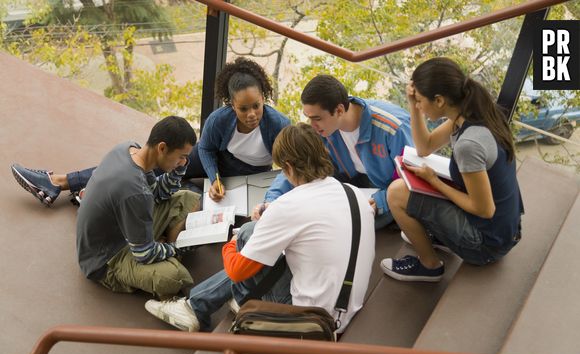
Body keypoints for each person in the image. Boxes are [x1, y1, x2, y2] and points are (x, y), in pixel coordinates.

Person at [144, 123, 375, 333]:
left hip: (306, 320)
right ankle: (194, 306)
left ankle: (213, 305)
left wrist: (234, 242)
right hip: (345, 310)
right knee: (268, 247)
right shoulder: (352, 193)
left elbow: (236, 271)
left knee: (247, 233)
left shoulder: (290, 205)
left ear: (288, 167)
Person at [10, 57, 290, 206]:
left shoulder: (278, 125)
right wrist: (214, 176)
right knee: (148, 163)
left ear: (264, 97)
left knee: (184, 193)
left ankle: (90, 194)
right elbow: (204, 148)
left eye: (257, 105)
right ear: (231, 105)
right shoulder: (220, 119)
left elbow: (289, 164)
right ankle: (59, 182)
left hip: (247, 179)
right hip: (215, 164)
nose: (252, 114)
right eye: (243, 109)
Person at [380, 57, 523, 282]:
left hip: (486, 245)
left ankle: (429, 267)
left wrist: (434, 181)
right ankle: (440, 234)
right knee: (418, 181)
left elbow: (484, 209)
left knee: (396, 192)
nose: (418, 105)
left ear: (438, 100)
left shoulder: (469, 144)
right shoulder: (475, 114)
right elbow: (425, 147)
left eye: (419, 100)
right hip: (504, 229)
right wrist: (413, 107)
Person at [252, 74, 413, 230]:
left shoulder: (393, 128)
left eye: (317, 118)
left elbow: (412, 180)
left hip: (386, 194)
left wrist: (382, 200)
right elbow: (295, 163)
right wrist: (271, 202)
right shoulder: (324, 129)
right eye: (309, 118)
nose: (312, 125)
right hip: (351, 191)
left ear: (340, 110)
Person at [77, 116, 201, 298]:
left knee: (188, 198)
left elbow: (158, 193)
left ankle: (160, 249)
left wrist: (179, 168)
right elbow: (144, 254)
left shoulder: (128, 149)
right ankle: (165, 255)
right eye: (182, 157)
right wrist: (176, 248)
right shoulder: (136, 192)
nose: (184, 162)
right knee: (177, 277)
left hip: (123, 230)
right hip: (105, 259)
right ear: (162, 148)